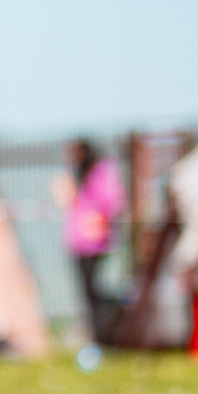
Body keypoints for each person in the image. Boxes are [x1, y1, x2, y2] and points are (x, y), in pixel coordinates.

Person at [55, 139, 123, 344]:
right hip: (78, 243)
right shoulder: (77, 176)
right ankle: (97, 336)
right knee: (88, 294)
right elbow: (68, 203)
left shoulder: (101, 172)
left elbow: (113, 202)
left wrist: (100, 220)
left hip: (94, 243)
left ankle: (105, 335)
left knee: (96, 292)